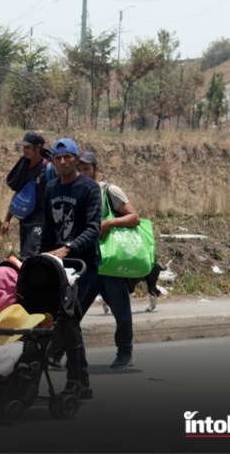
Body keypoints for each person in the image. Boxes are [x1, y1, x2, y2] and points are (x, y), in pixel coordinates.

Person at [35, 138, 102, 400]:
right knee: (63, 322)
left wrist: (68, 248)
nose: (63, 162)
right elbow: (48, 228)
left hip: (84, 267)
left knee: (69, 319)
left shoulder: (89, 188)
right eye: (58, 158)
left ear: (76, 159)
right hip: (58, 266)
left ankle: (77, 380)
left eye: (68, 158)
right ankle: (82, 381)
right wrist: (40, 258)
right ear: (53, 162)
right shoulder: (51, 187)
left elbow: (94, 229)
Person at [77, 151, 141, 369]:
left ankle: (125, 353)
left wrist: (111, 222)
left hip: (110, 267)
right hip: (86, 266)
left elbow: (134, 217)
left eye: (86, 168)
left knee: (122, 314)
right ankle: (66, 353)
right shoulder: (77, 191)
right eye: (79, 169)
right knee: (72, 313)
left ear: (97, 168)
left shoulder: (109, 190)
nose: (82, 172)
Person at [1, 131, 51, 258]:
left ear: (38, 147)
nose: (24, 150)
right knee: (24, 256)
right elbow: (19, 193)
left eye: (28, 147)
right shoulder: (24, 165)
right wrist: (7, 220)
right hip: (25, 221)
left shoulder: (48, 168)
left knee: (29, 257)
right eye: (23, 147)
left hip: (40, 222)